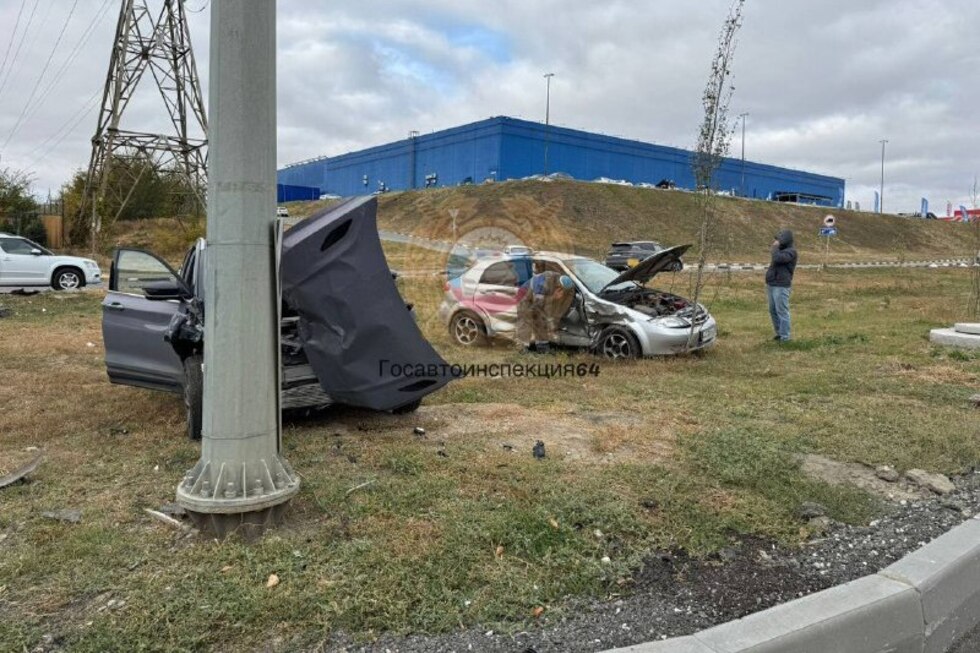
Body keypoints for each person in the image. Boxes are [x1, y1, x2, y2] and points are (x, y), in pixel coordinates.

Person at [516, 262, 575, 352]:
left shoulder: (563, 281)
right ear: (558, 285)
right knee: (526, 320)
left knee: (541, 321)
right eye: (560, 289)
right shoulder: (543, 283)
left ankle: (542, 347)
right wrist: (553, 297)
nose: (562, 292)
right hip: (525, 297)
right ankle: (522, 347)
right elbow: (538, 303)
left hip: (539, 300)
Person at [766, 229, 797, 342]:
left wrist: (774, 247)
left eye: (778, 239)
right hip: (772, 284)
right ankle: (779, 333)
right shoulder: (780, 250)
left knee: (782, 311)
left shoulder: (791, 252)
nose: (776, 242)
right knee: (772, 309)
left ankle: (785, 337)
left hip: (781, 285)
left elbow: (778, 258)